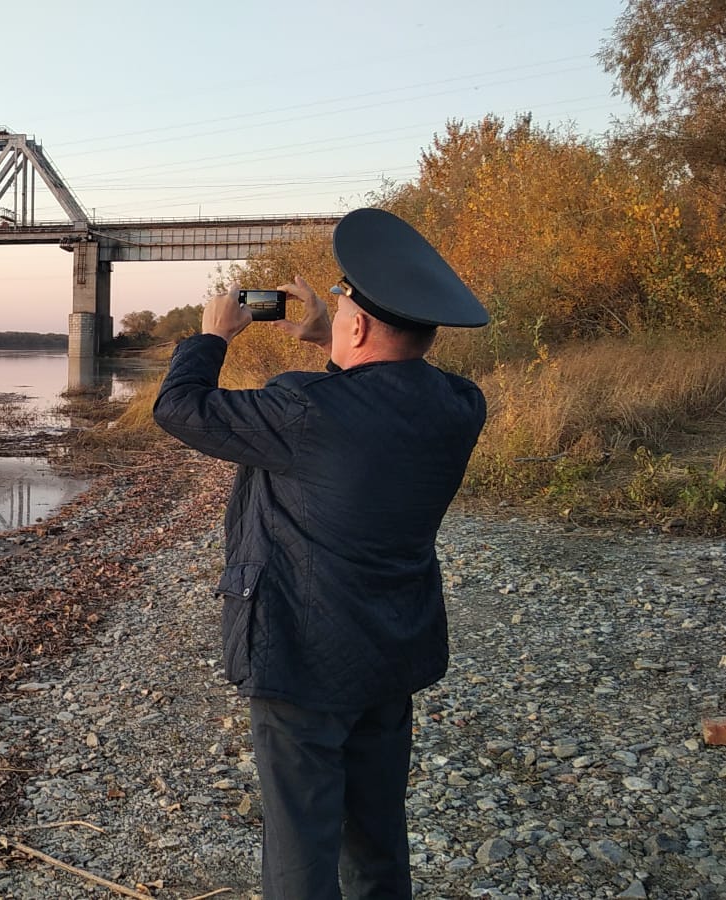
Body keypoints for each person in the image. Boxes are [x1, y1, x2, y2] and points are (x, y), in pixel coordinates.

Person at [152, 207, 490, 899]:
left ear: (359, 326)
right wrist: (329, 342)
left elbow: (180, 409)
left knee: (301, 849)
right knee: (375, 838)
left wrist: (210, 336)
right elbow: (372, 399)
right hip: (393, 650)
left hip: (303, 657)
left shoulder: (302, 409)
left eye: (340, 309)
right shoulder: (461, 405)